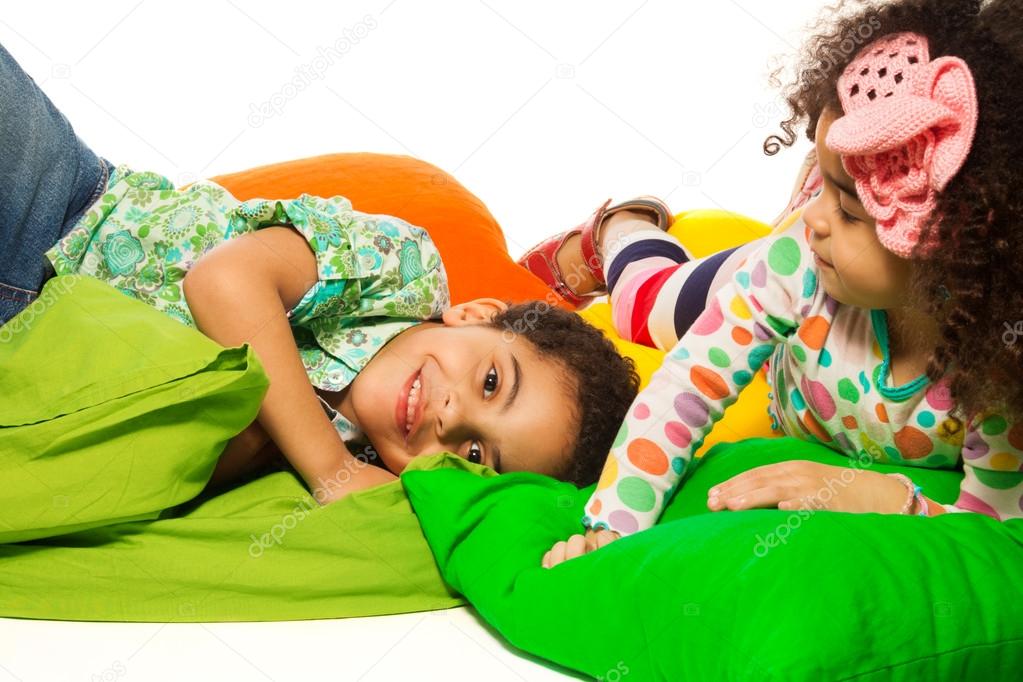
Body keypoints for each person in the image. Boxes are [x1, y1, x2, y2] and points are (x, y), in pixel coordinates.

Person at [0, 41, 640, 504]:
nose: (451, 417)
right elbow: (222, 281)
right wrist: (326, 465)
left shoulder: (360, 461)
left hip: (25, 336)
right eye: (493, 381)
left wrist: (266, 445)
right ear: (475, 315)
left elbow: (157, 469)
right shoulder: (400, 275)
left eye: (476, 455)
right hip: (53, 204)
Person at [522, 0, 1023, 568]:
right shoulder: (799, 255)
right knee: (645, 307)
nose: (821, 219)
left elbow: (996, 534)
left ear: (957, 249)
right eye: (830, 190)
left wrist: (891, 499)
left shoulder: (999, 365)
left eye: (851, 211)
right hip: (792, 298)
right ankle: (620, 228)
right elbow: (684, 385)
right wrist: (611, 528)